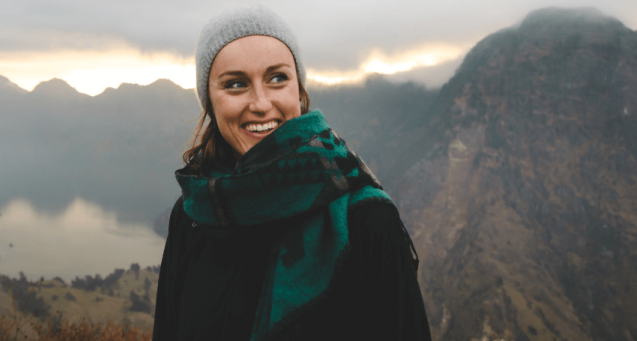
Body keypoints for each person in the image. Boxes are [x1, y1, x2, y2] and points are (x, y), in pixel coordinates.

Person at [153, 6, 431, 341]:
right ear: (210, 102)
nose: (260, 102)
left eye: (277, 78)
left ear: (298, 90)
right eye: (236, 84)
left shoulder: (366, 221)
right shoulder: (192, 216)